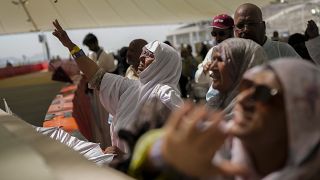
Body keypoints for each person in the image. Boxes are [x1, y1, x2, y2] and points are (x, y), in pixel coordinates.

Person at [130, 59, 320, 179]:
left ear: (303, 113)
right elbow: (153, 147)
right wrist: (164, 155)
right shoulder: (214, 148)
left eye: (262, 93)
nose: (243, 99)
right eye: (245, 87)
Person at [52, 20, 183, 153]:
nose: (142, 57)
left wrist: (126, 157)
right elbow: (95, 75)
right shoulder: (131, 87)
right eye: (143, 53)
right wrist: (71, 46)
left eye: (149, 55)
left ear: (162, 64)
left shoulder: (165, 94)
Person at [205, 38, 267, 115]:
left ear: (242, 67)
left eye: (220, 59)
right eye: (213, 59)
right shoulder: (215, 104)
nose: (212, 67)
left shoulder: (253, 117)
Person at [234, 3, 300, 60]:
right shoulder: (231, 56)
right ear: (234, 29)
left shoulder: (283, 51)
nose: (246, 29)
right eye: (240, 25)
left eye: (252, 24)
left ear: (263, 26)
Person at [194, 14, 234, 85]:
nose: (217, 38)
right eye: (214, 33)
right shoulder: (213, 51)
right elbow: (199, 80)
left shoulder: (241, 50)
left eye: (221, 33)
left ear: (231, 32)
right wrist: (204, 70)